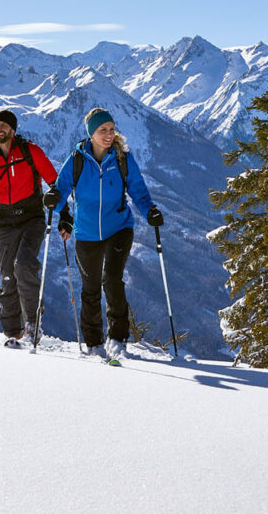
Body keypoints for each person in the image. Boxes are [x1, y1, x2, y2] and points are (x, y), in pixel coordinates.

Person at [52, 107, 162, 360]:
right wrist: (53, 203)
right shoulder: (77, 160)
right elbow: (61, 188)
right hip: (86, 232)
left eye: (111, 129)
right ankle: (93, 343)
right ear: (91, 134)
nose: (109, 134)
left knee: (112, 280)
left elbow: (138, 189)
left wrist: (149, 211)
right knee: (90, 289)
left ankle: (117, 338)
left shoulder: (122, 159)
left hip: (119, 228)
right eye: (103, 130)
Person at [0, 110, 61, 347]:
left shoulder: (30, 152)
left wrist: (64, 211)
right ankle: (12, 334)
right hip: (5, 222)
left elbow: (54, 182)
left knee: (24, 265)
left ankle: (32, 327)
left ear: (13, 130)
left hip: (31, 218)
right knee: (8, 276)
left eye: (4, 126)